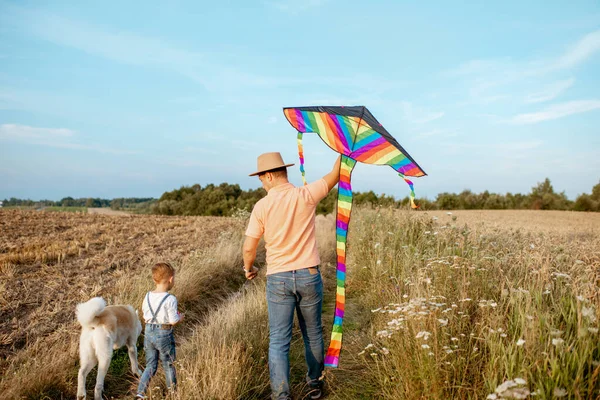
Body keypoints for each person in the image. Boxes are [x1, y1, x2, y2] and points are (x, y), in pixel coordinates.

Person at [243, 152, 341, 400]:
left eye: (262, 179)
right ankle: (314, 385)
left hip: (278, 279)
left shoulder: (262, 206)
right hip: (309, 275)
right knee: (313, 334)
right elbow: (334, 176)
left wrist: (248, 267)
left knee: (278, 340)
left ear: (269, 176)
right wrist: (344, 150)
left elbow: (249, 246)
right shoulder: (305, 195)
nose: (262, 184)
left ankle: (281, 395)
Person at [136, 262, 184, 399]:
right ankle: (173, 394)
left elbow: (145, 315)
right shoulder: (170, 299)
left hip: (149, 332)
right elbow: (173, 320)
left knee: (150, 365)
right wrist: (181, 317)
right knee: (168, 365)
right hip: (164, 333)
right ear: (171, 279)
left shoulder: (147, 296)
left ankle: (140, 393)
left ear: (154, 280)